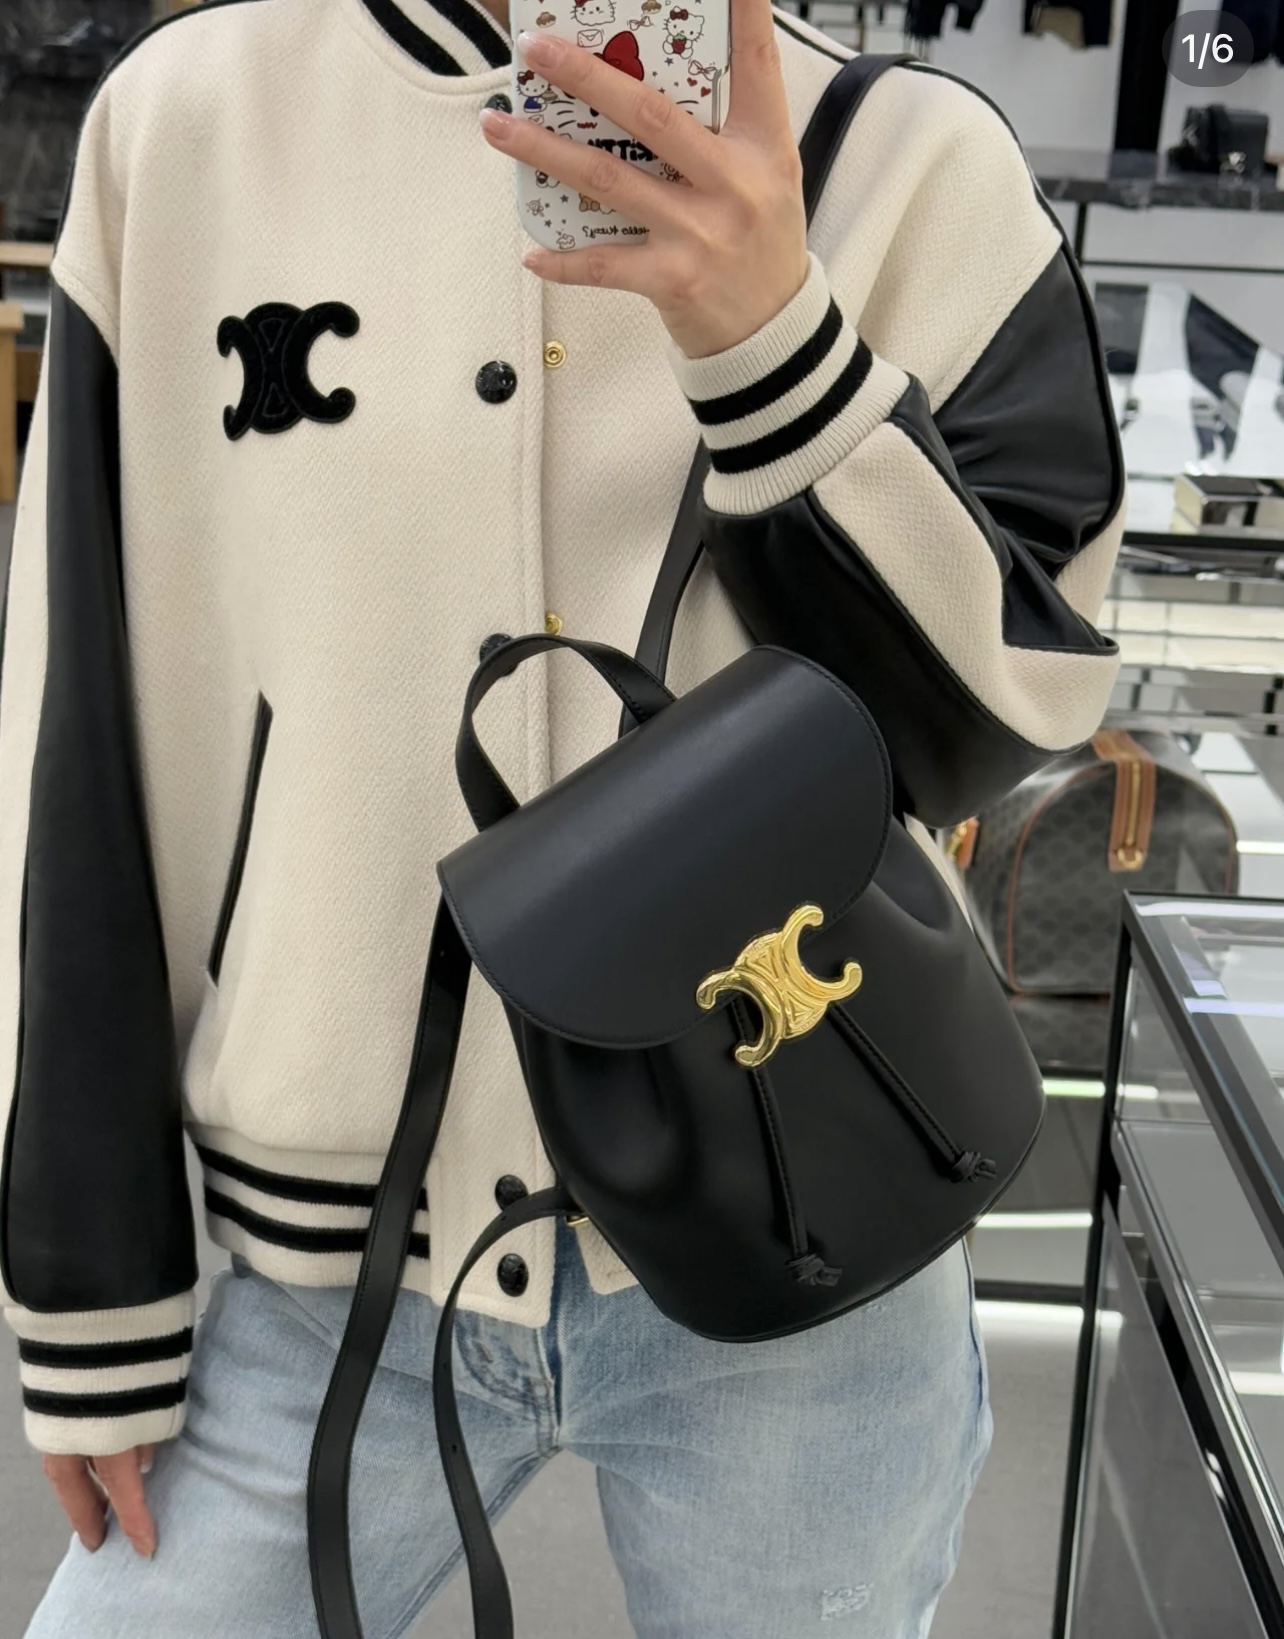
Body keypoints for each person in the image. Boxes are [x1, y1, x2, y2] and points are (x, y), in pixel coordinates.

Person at [0, 0, 1124, 1631]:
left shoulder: (908, 159)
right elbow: (78, 730)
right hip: (320, 1270)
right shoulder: (187, 126)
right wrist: (87, 1281)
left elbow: (1010, 707)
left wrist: (774, 348)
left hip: (811, 1233)